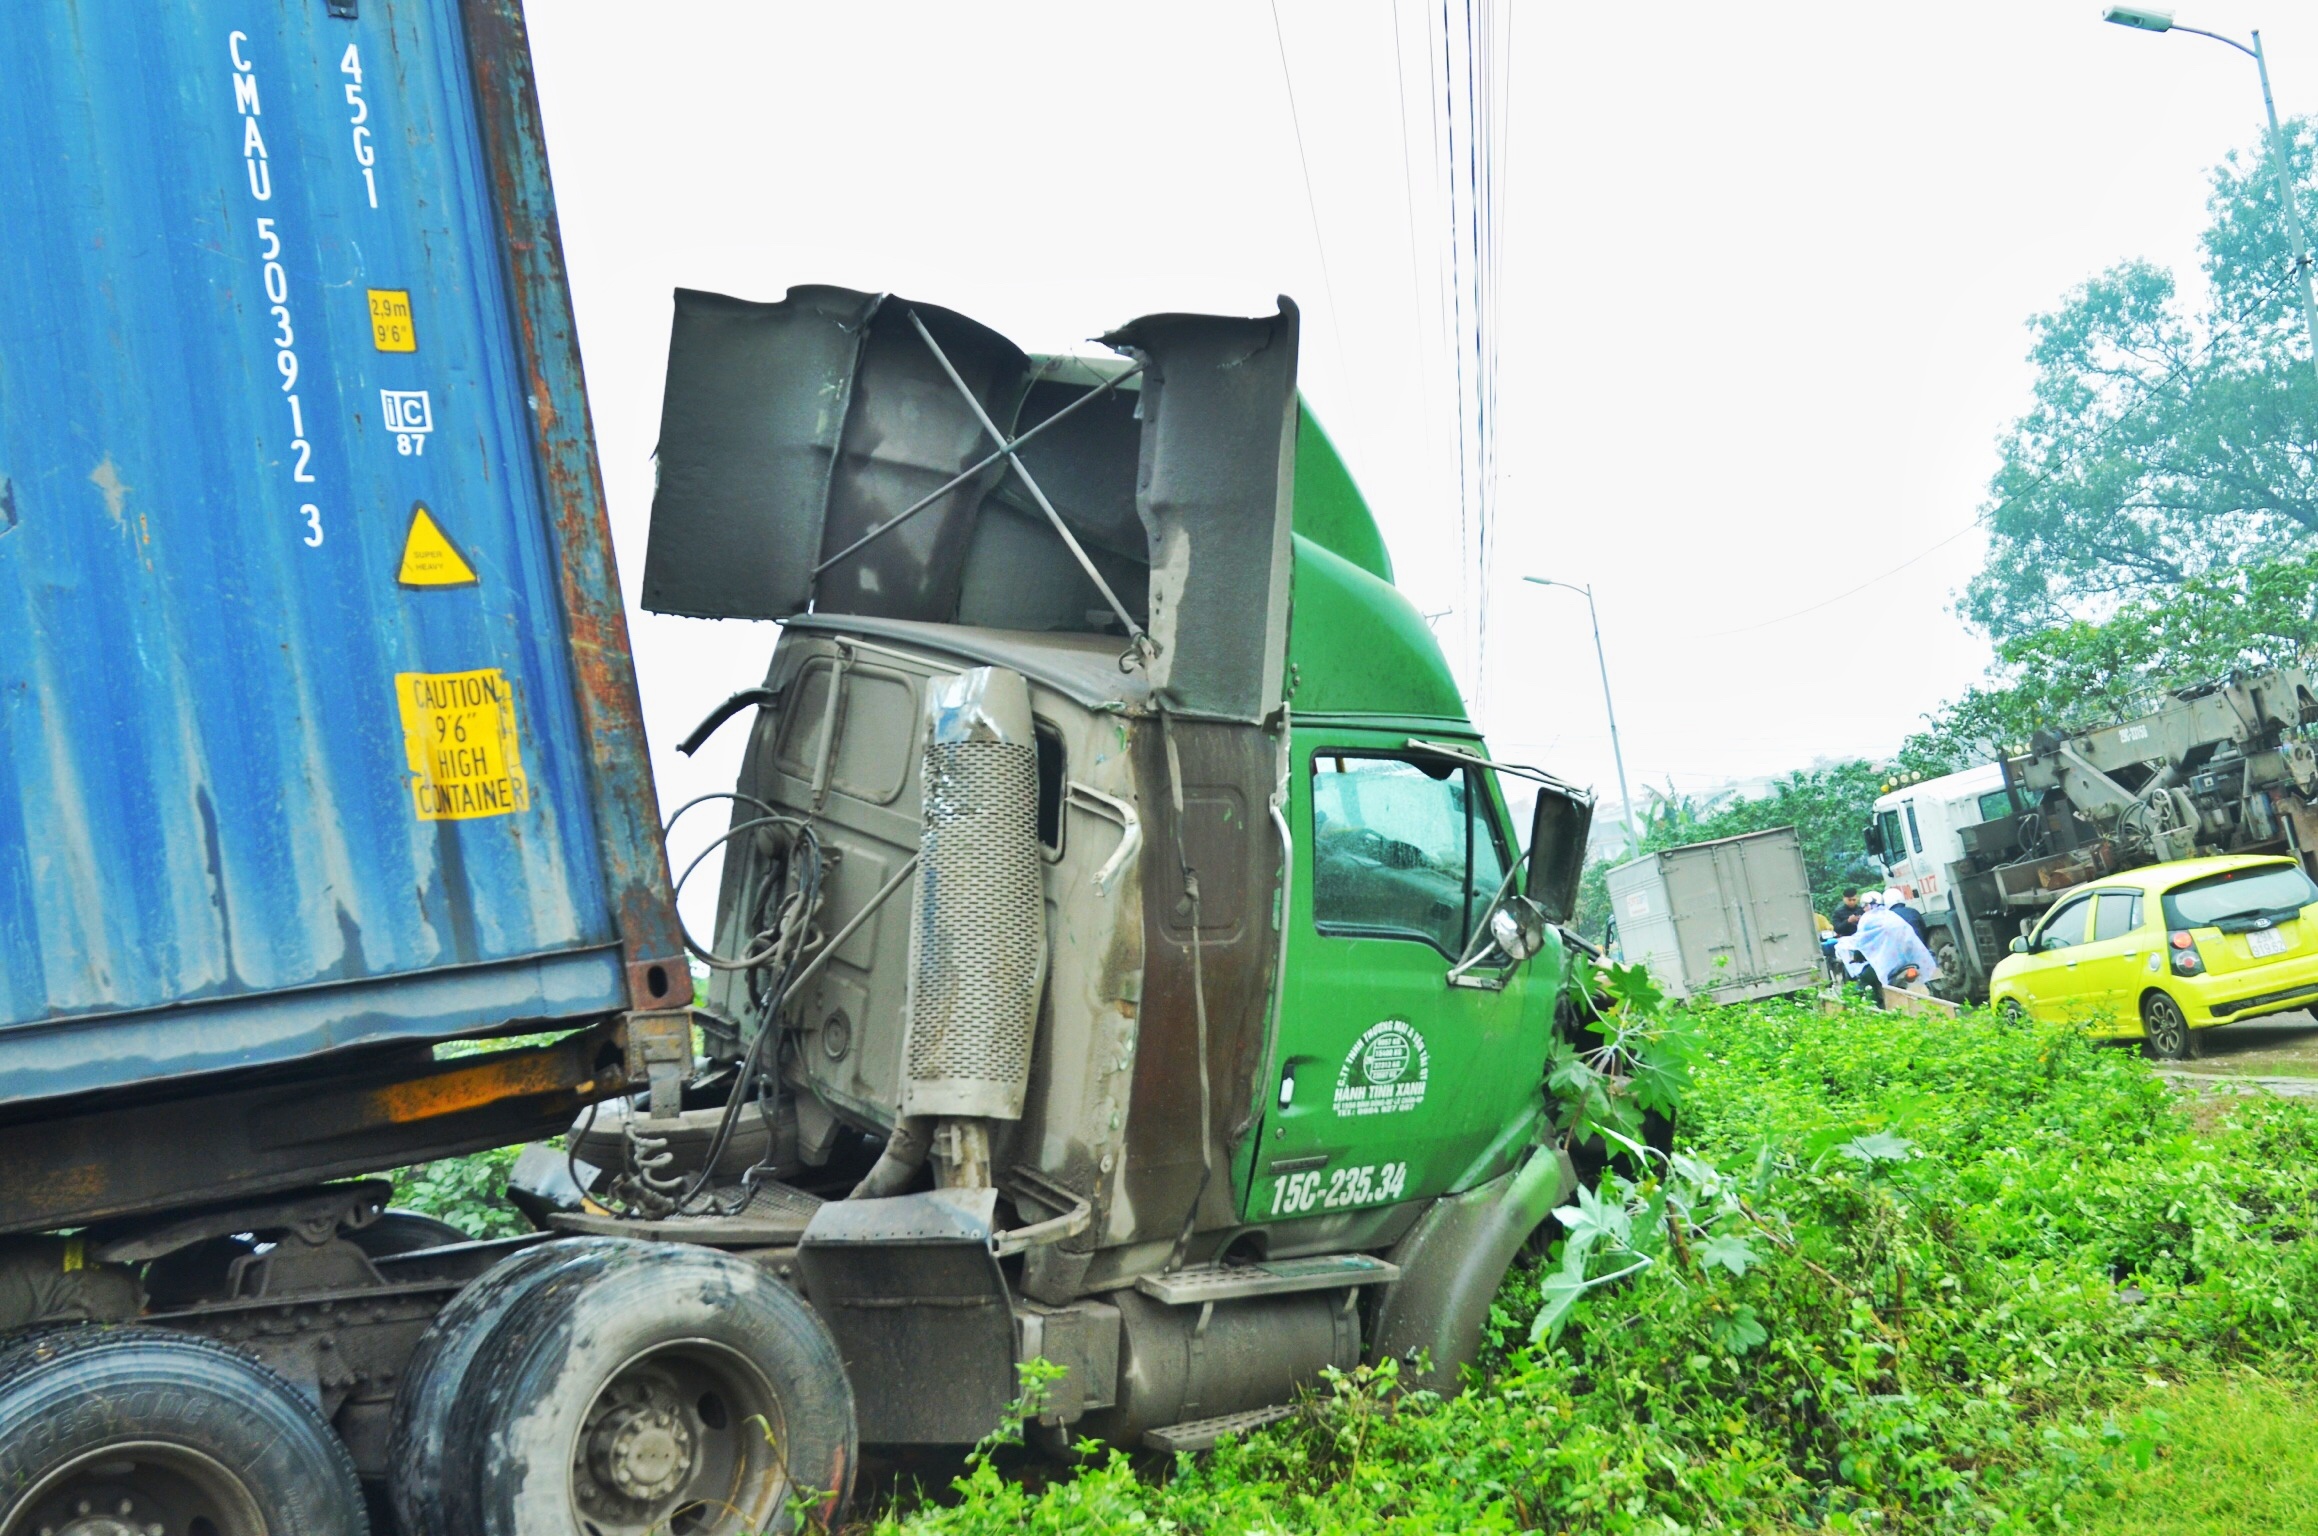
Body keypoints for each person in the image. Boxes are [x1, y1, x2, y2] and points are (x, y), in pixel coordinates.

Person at [1834, 893, 1940, 1008]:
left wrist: (1857, 955)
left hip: (1889, 963)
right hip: (1910, 958)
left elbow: (1862, 942)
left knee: (1864, 978)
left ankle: (1864, 1007)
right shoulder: (1890, 915)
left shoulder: (1867, 918)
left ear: (1869, 905)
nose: (1863, 909)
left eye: (1864, 906)